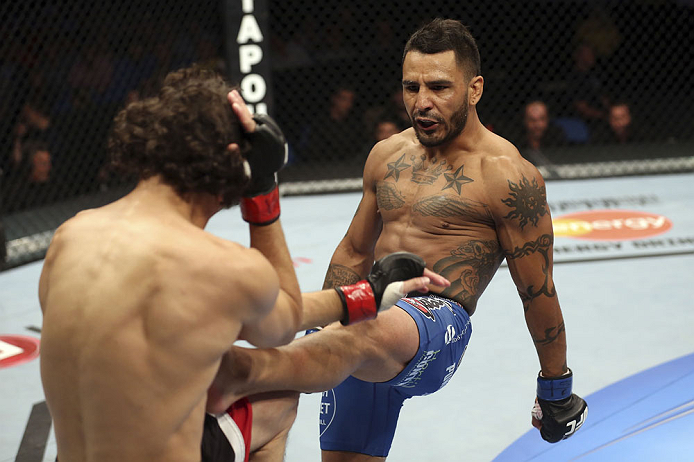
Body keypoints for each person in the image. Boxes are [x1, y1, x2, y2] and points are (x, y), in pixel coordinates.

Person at [208, 18, 588, 461]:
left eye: (440, 87)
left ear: (475, 89)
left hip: (435, 325)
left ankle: (236, 368)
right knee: (288, 407)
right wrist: (322, 329)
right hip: (362, 317)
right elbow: (354, 251)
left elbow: (537, 290)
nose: (422, 103)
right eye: (412, 87)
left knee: (347, 334)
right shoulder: (387, 154)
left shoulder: (506, 175)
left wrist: (556, 387)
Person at [37, 65, 446, 462]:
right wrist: (263, 191)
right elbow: (279, 325)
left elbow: (263, 310)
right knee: (278, 397)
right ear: (235, 159)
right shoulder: (215, 263)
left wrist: (366, 296)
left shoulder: (70, 235)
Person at [511, 100, 567, 166]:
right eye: (532, 120)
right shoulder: (516, 139)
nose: (538, 125)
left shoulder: (557, 136)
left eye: (542, 119)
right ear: (525, 121)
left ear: (547, 119)